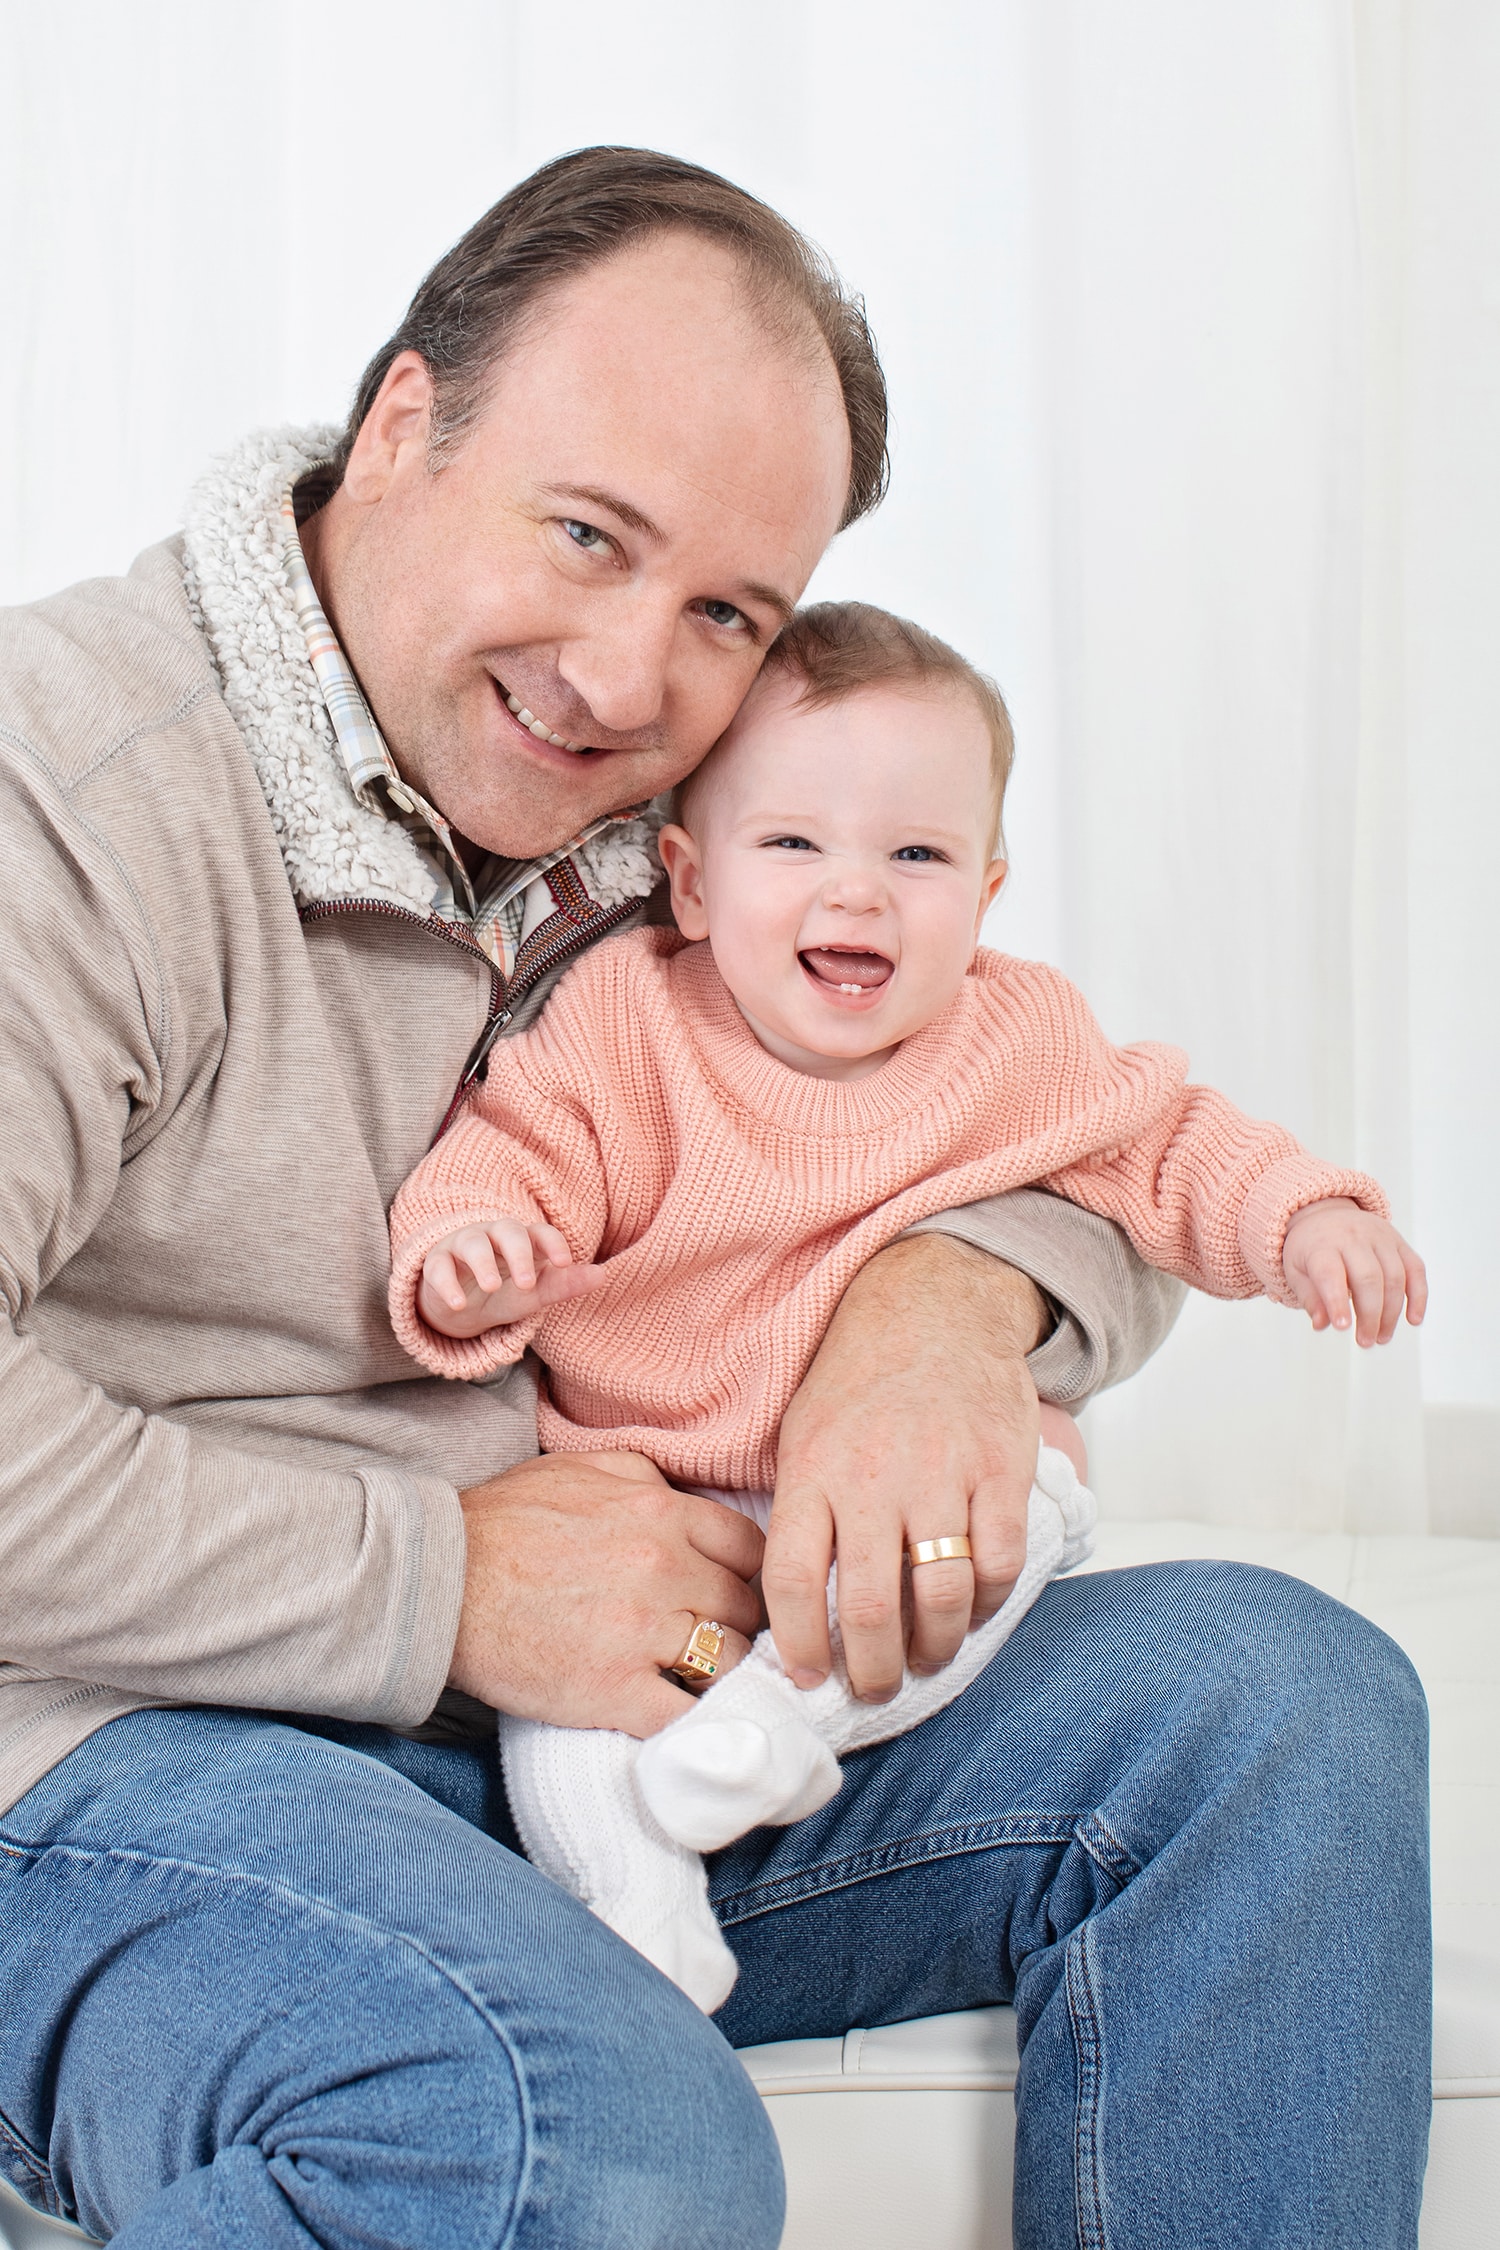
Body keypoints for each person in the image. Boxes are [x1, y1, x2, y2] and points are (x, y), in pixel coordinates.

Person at [0, 149, 1430, 2249]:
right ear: (402, 425)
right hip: (117, 1761)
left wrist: (947, 1298)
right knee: (593, 2140)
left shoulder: (683, 805)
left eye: (722, 613)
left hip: (616, 1714)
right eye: (584, 535)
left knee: (1277, 1710)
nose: (619, 673)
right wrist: (441, 1582)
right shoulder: (76, 798)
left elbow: (1041, 1105)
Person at [387, 597, 1423, 2015]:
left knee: (1024, 1517)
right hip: (647, 1502)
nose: (857, 892)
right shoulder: (630, 1020)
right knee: (562, 1704)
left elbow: (1169, 1142)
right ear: (688, 881)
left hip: (897, 1515)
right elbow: (515, 1151)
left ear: (987, 897)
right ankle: (633, 1899)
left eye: (917, 854)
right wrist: (474, 1247)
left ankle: (768, 1723)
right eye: (794, 844)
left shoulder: (1011, 1033)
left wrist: (1304, 1212)